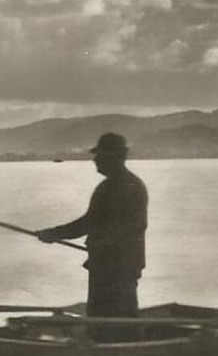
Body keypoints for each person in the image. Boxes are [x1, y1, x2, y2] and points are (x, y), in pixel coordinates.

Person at [36, 132, 148, 326]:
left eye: (100, 155)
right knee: (110, 321)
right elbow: (92, 223)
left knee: (115, 322)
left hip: (116, 268)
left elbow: (97, 225)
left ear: (113, 157)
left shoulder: (125, 187)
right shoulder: (114, 186)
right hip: (110, 265)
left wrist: (54, 233)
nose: (95, 160)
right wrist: (55, 233)